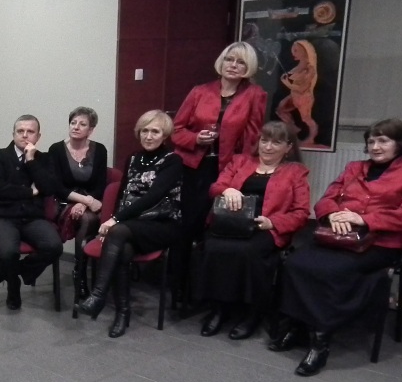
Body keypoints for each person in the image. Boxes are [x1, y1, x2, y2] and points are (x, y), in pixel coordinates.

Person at [271, 118, 402, 375]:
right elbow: (326, 199)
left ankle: (320, 340)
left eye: (383, 141)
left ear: (399, 143)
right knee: (295, 262)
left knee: (332, 271)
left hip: (381, 243)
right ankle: (298, 326)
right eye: (371, 141)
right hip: (338, 235)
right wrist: (333, 214)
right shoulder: (354, 167)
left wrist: (364, 219)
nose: (375, 147)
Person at [171, 41, 267, 305]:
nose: (233, 66)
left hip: (227, 171)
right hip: (193, 168)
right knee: (186, 227)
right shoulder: (199, 91)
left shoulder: (255, 95)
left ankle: (210, 293)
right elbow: (176, 131)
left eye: (241, 62)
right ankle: (179, 290)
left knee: (215, 229)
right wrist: (196, 139)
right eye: (229, 60)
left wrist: (239, 174)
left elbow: (252, 140)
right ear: (221, 62)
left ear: (248, 68)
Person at [75, 110, 183, 338]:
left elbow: (153, 196)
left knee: (119, 232)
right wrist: (112, 219)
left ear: (165, 135)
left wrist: (114, 221)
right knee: (122, 251)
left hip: (162, 224)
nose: (149, 136)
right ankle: (122, 313)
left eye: (155, 131)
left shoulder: (172, 161)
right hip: (130, 226)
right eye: (145, 130)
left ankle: (98, 295)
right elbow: (122, 196)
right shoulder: (133, 158)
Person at [198, 121, 310, 340]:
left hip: (265, 227)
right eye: (264, 140)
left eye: (276, 143)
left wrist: (273, 222)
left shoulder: (296, 172)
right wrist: (227, 190)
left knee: (249, 252)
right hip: (231, 223)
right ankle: (220, 308)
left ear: (288, 147)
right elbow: (215, 188)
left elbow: (301, 212)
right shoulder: (240, 161)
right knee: (213, 247)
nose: (267, 147)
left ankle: (253, 312)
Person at [0, 114, 64, 310]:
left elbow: (49, 188)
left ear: (38, 136)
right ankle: (13, 286)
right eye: (20, 131)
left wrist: (31, 160)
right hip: (2, 217)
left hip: (32, 218)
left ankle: (12, 272)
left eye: (30, 131)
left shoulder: (43, 159)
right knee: (7, 252)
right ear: (13, 134)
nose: (25, 135)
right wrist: (30, 192)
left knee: (54, 246)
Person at [46, 107, 109, 299]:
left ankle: (80, 271)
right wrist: (83, 200)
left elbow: (100, 184)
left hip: (91, 201)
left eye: (82, 124)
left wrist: (85, 203)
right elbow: (57, 187)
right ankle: (80, 274)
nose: (76, 127)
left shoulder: (100, 150)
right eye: (73, 123)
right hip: (63, 201)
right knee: (87, 219)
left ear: (91, 130)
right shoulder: (56, 149)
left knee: (90, 219)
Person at [275, 40, 319, 146]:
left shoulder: (310, 69)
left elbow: (301, 89)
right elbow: (291, 75)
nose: (293, 54)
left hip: (304, 97)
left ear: (304, 51)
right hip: (294, 95)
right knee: (281, 109)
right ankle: (293, 128)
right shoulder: (300, 66)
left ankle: (311, 137)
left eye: (296, 51)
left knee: (306, 118)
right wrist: (287, 77)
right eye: (292, 51)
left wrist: (287, 83)